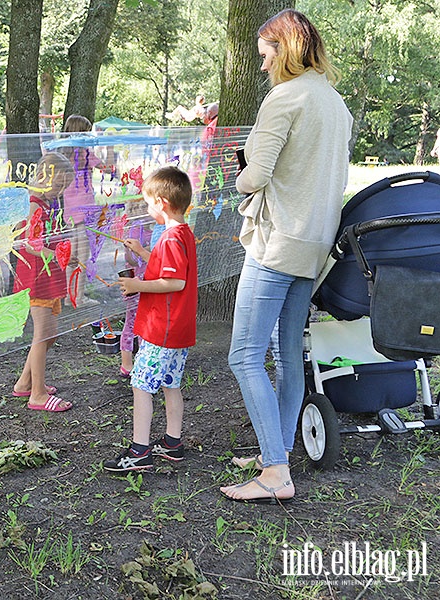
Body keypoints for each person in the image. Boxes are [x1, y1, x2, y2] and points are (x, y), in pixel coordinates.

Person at [220, 9, 352, 504]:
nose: (261, 66)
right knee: (285, 354)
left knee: (243, 356)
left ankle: (275, 472)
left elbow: (255, 176)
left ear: (286, 49)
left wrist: (238, 179)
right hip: (315, 246)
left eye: (265, 55)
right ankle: (276, 451)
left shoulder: (285, 98)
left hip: (276, 246)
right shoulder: (336, 104)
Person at [103, 166, 197, 472]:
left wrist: (136, 285)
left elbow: (174, 283)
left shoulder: (170, 239)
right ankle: (173, 443)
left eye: (148, 203)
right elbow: (166, 268)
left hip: (162, 329)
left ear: (162, 203)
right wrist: (143, 251)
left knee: (141, 385)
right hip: (177, 329)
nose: (146, 208)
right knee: (171, 384)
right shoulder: (181, 233)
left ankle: (140, 451)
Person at [12, 152, 76, 412]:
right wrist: (61, 257)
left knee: (49, 335)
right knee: (43, 334)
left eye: (63, 188)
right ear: (44, 176)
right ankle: (37, 394)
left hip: (47, 274)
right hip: (37, 275)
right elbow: (31, 244)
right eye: (58, 185)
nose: (59, 191)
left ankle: (25, 382)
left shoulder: (47, 203)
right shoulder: (34, 203)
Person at [60, 114, 113, 306]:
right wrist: (110, 147)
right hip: (83, 210)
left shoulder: (61, 153)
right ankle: (79, 297)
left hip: (69, 211)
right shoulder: (85, 153)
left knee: (72, 256)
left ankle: (69, 296)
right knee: (82, 256)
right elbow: (109, 169)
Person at [118, 196, 151, 378]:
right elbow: (130, 259)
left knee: (143, 322)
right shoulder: (136, 228)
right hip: (135, 282)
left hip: (145, 282)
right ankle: (127, 364)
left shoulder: (147, 228)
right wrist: (141, 250)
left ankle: (140, 361)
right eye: (142, 207)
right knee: (132, 323)